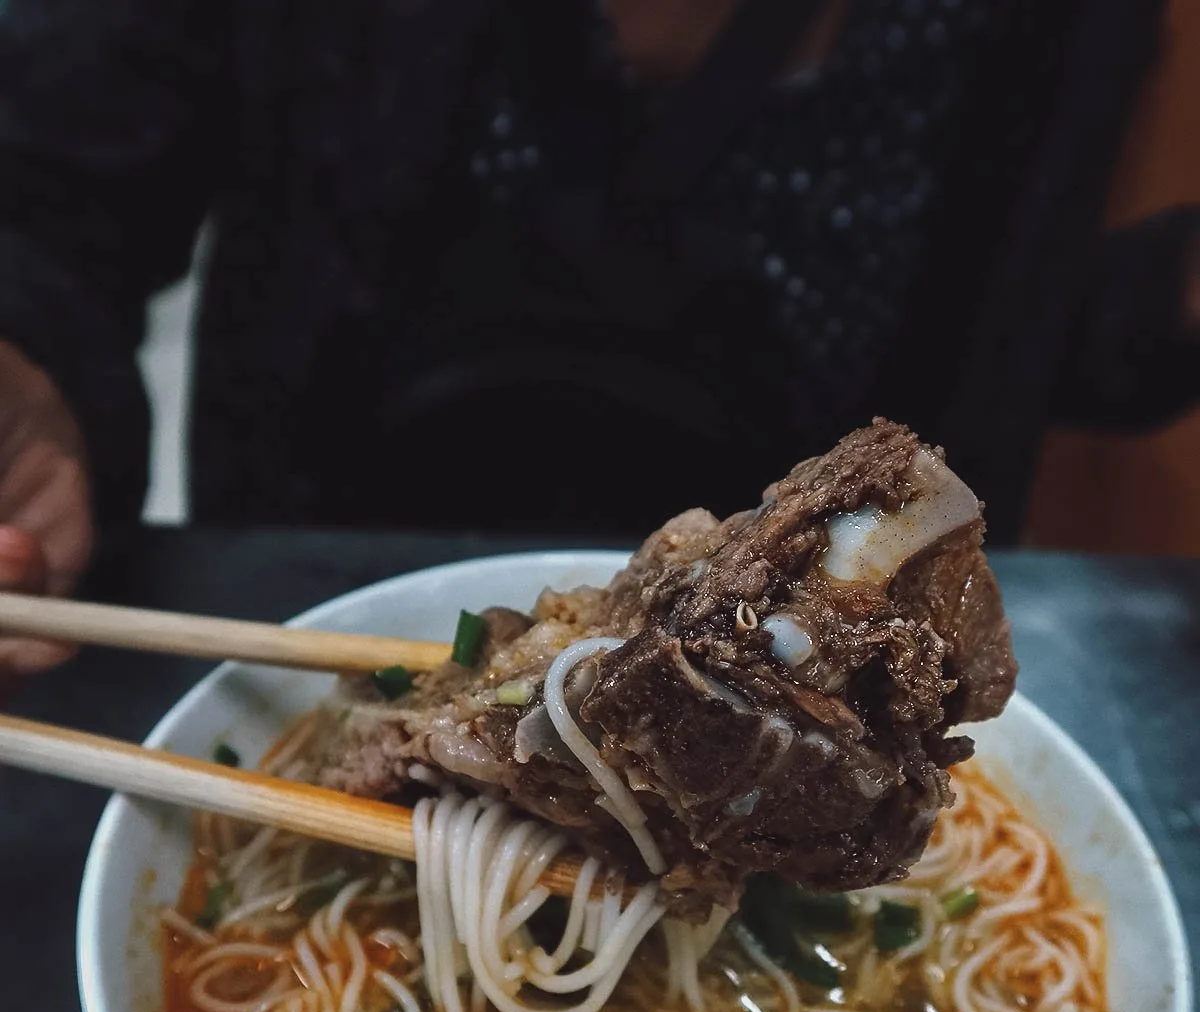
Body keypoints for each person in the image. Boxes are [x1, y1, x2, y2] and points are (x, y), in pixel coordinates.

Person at [1, 0, 1198, 691]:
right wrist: (32, 358)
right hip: (311, 624)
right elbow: (53, 171)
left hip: (829, 694)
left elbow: (1049, 327)